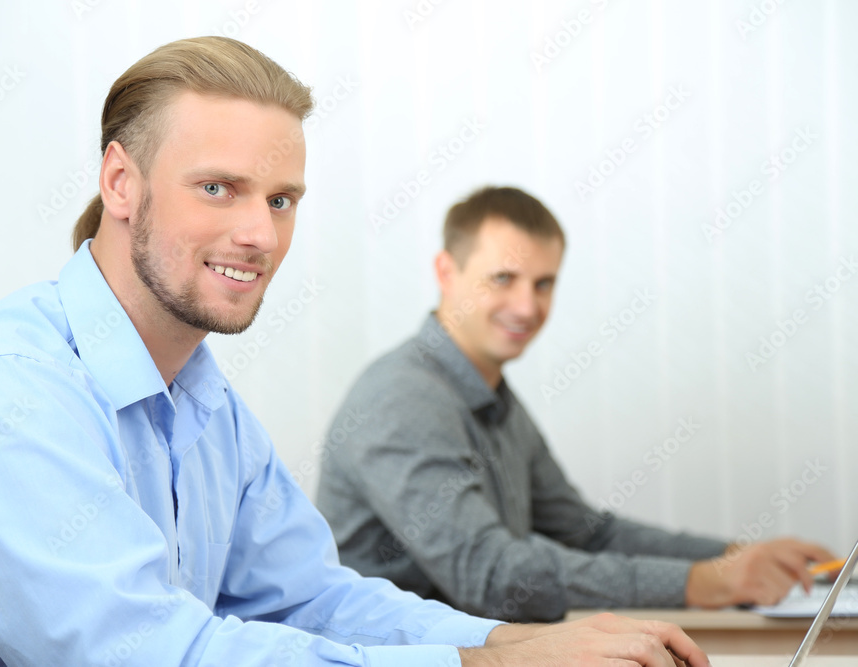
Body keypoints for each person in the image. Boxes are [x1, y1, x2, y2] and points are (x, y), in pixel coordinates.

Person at [0, 38, 708, 666]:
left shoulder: (205, 402)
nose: (261, 234)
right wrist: (484, 663)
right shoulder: (1, 393)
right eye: (218, 188)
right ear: (120, 183)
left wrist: (513, 640)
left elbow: (310, 597)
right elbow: (148, 654)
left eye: (281, 199)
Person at [316, 185, 836, 623]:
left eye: (544, 284)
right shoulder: (402, 398)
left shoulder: (491, 396)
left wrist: (736, 559)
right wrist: (702, 581)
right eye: (504, 279)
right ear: (446, 272)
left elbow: (588, 534)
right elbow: (491, 576)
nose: (527, 307)